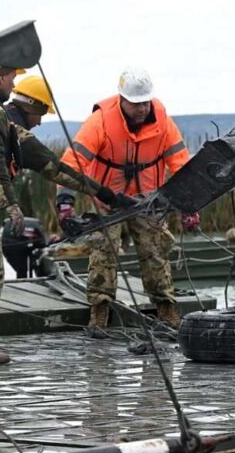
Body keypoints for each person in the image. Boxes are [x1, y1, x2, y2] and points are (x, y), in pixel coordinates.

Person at [0, 70, 129, 366]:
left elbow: (52, 167)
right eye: (41, 113)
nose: (13, 85)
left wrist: (103, 193)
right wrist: (11, 206)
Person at [58, 67, 196, 334]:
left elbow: (181, 164)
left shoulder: (163, 121)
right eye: (135, 104)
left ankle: (167, 311)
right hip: (106, 200)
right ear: (121, 100)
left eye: (145, 102)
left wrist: (189, 207)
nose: (142, 108)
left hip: (148, 200)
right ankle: (100, 312)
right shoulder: (100, 122)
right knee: (103, 252)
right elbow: (71, 165)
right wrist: (65, 203)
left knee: (155, 252)